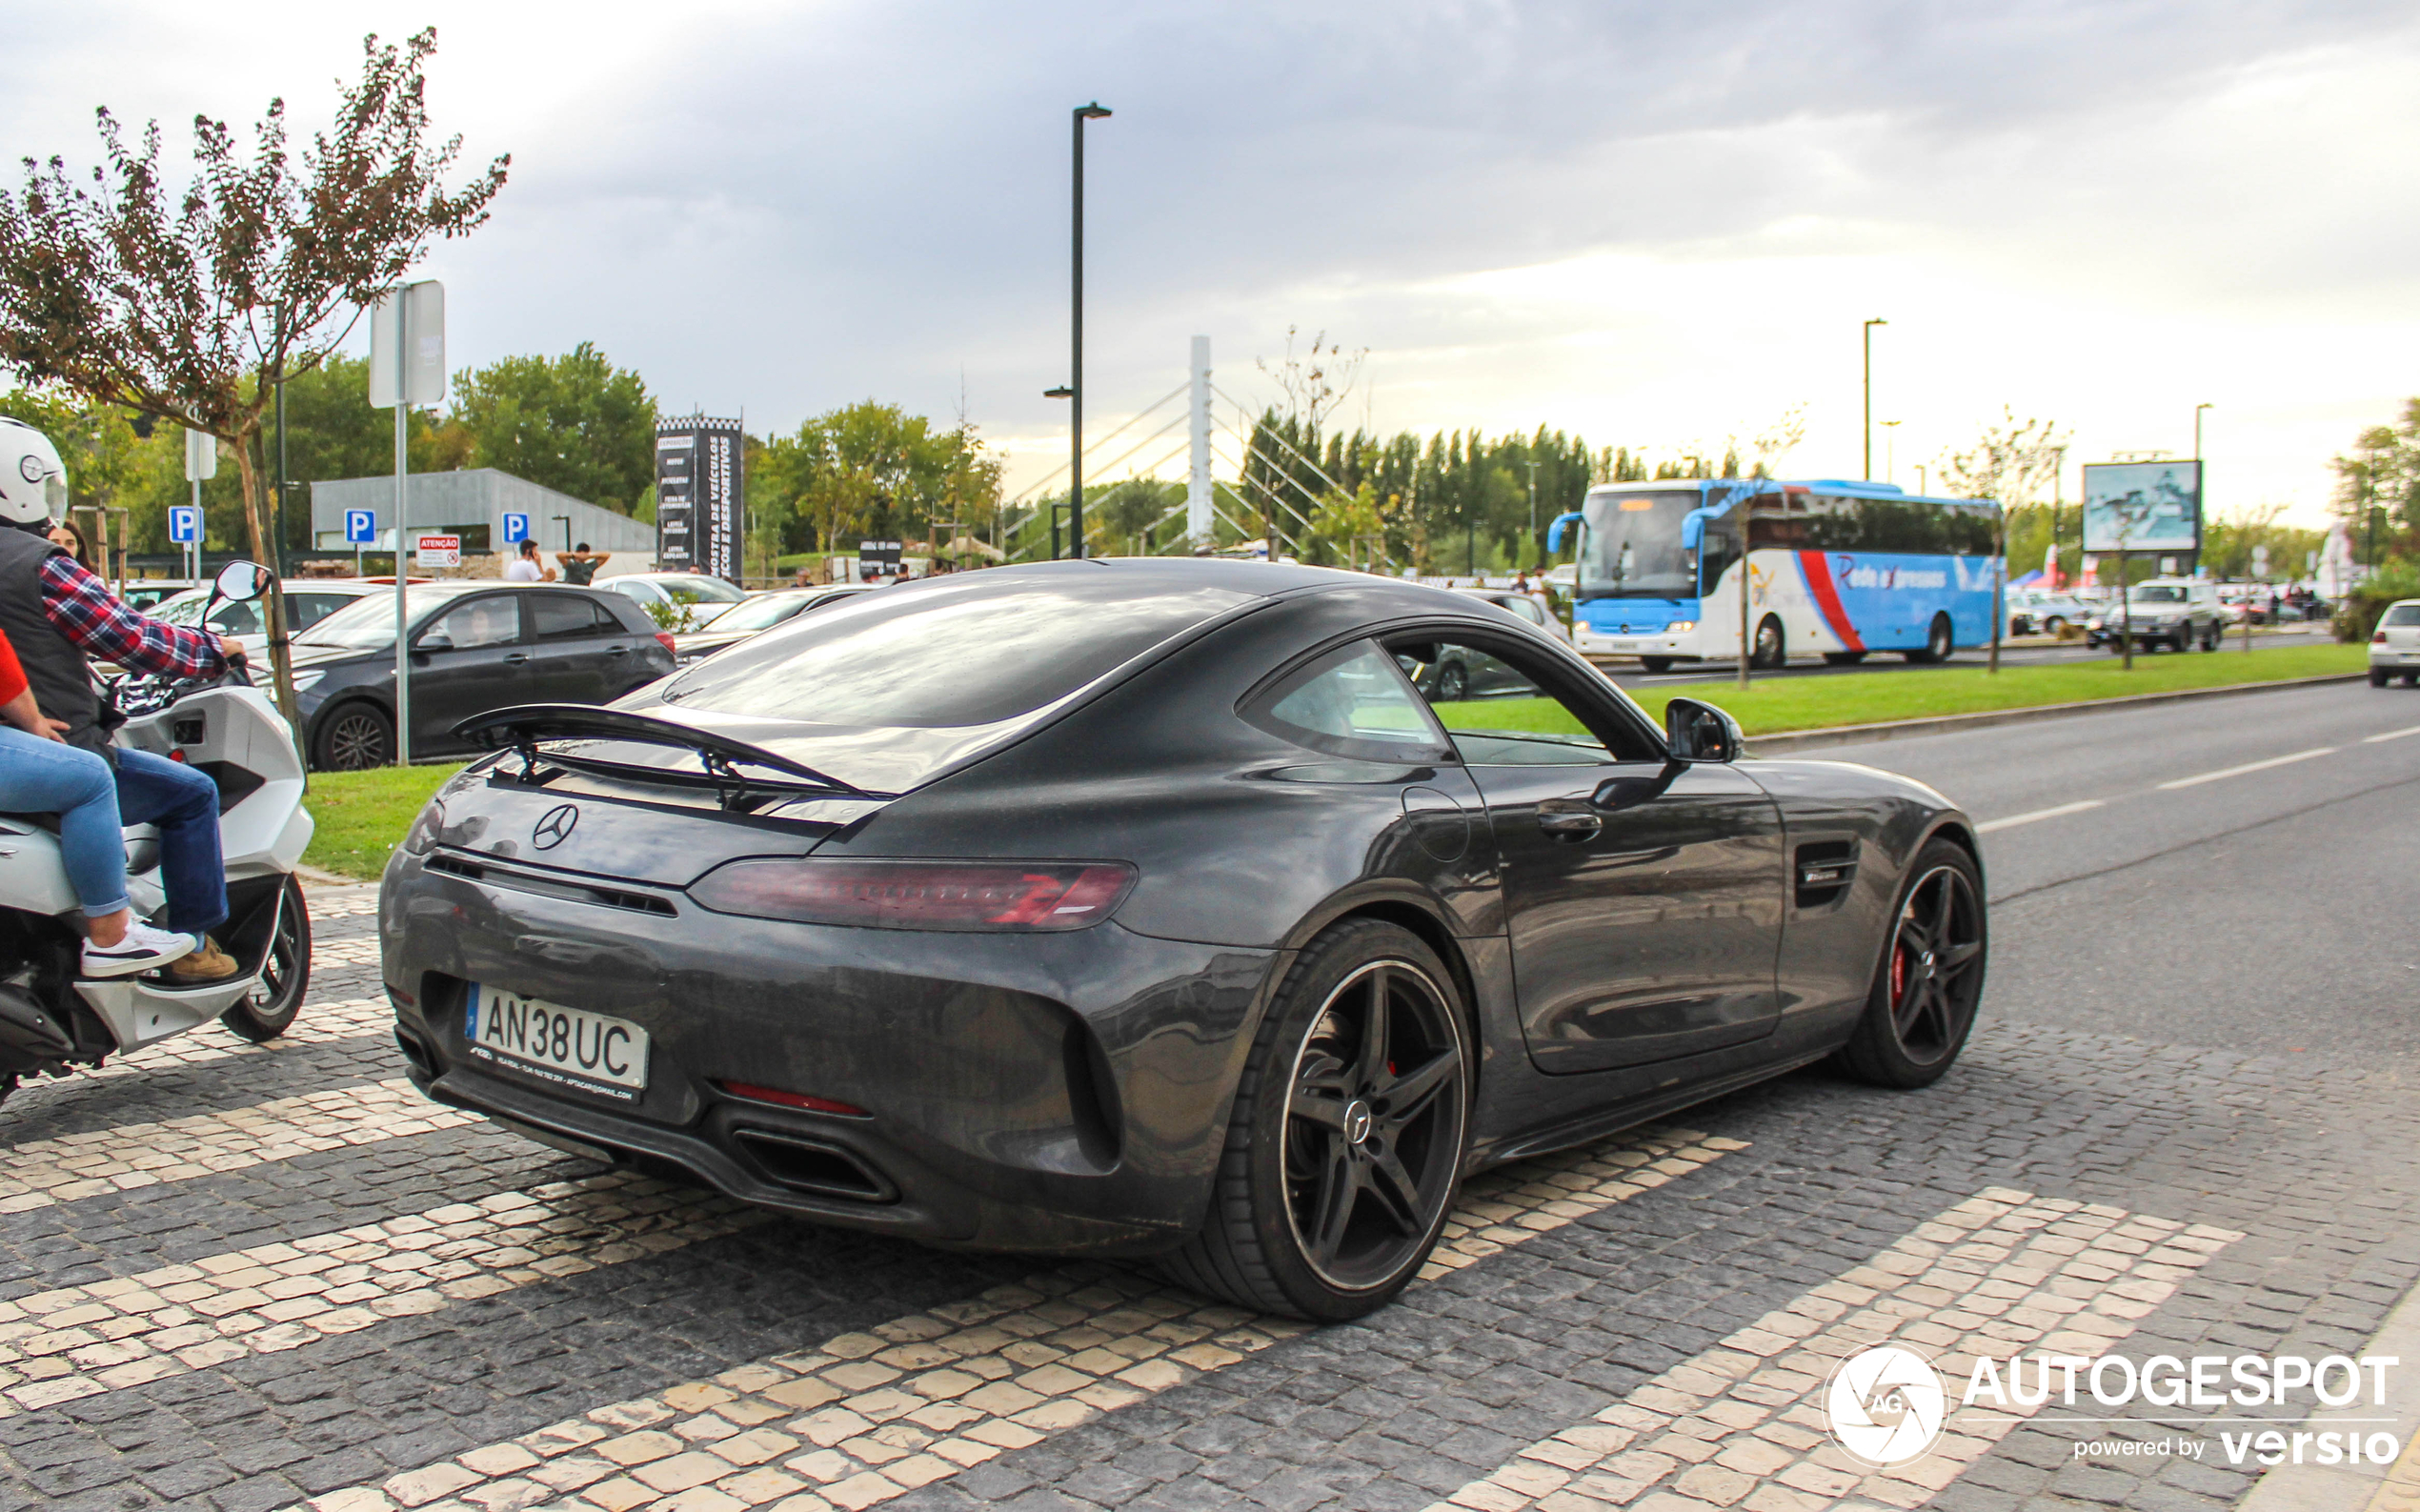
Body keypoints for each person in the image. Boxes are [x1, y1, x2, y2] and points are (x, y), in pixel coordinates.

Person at [0, 417, 237, 982]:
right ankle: (187, 945)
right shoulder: (41, 564)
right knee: (192, 794)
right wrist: (214, 652)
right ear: (25, 481)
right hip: (54, 744)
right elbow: (134, 639)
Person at [0, 623, 198, 977]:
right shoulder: (50, 569)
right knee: (90, 778)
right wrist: (32, 721)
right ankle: (112, 936)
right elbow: (126, 634)